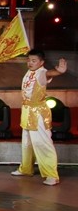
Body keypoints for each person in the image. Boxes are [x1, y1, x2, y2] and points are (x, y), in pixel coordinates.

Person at [11, 49, 68, 186]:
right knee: (27, 143)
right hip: (27, 111)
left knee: (42, 143)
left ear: (41, 62)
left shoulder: (41, 72)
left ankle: (51, 175)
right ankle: (26, 169)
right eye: (29, 60)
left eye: (34, 60)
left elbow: (49, 73)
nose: (30, 63)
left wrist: (59, 71)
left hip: (38, 114)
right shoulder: (29, 72)